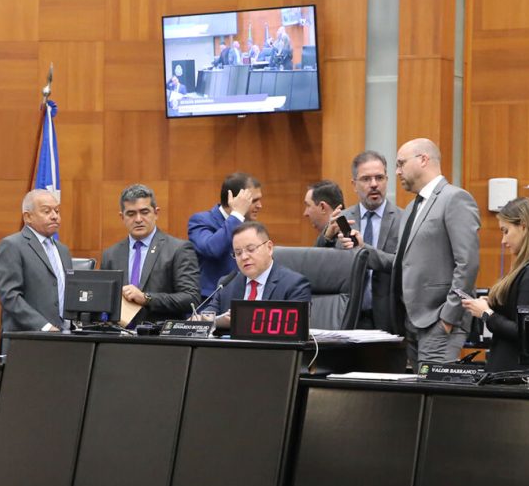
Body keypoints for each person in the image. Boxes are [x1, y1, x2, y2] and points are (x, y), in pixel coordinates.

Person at [343, 138, 480, 369]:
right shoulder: (411, 209)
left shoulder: (455, 199)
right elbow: (400, 263)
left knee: (435, 395)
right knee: (419, 396)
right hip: (411, 324)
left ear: (423, 160)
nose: (397, 172)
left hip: (439, 322)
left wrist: (447, 318)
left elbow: (467, 264)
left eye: (401, 164)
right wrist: (362, 249)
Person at [461, 198, 529, 372]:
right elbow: (519, 312)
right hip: (513, 371)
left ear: (523, 227)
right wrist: (496, 304)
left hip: (519, 375)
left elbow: (524, 331)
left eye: (506, 231)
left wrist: (486, 313)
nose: (503, 240)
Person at [318, 151, 403, 331]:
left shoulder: (403, 219)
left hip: (389, 321)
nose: (374, 184)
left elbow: (402, 265)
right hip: (348, 319)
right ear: (354, 184)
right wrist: (327, 237)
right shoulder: (343, 219)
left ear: (387, 180)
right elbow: (320, 266)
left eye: (379, 177)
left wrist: (363, 249)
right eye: (366, 179)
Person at [100, 184, 199, 326]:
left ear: (156, 213)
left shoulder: (178, 249)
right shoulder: (110, 255)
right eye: (131, 214)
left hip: (160, 338)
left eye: (144, 212)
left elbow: (191, 299)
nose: (138, 219)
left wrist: (147, 298)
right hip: (118, 338)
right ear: (122, 217)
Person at [0, 189, 73, 351]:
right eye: (46, 211)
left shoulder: (63, 250)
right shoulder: (12, 245)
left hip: (64, 339)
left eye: (57, 211)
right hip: (26, 341)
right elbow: (10, 296)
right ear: (28, 217)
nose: (54, 216)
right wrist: (44, 327)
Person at [205, 221, 311, 318]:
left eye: (251, 249)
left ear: (269, 248)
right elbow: (204, 321)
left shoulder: (294, 285)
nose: (244, 257)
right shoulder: (227, 285)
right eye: (238, 253)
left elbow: (295, 328)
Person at [188, 172, 263, 297]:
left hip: (244, 299)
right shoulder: (200, 221)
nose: (260, 205)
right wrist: (237, 214)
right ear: (233, 200)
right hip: (210, 302)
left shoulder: (251, 226)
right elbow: (211, 249)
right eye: (254, 200)